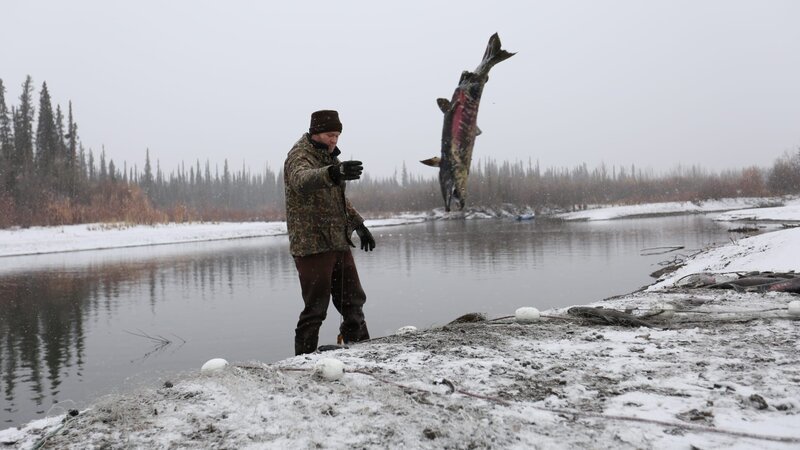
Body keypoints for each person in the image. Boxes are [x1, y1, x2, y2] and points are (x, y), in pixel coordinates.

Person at [283, 110, 376, 355]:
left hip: (338, 242)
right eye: (329, 134)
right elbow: (301, 180)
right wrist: (332, 173)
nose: (334, 140)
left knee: (353, 303)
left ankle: (362, 352)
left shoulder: (329, 157)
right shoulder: (299, 156)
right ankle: (302, 361)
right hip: (311, 246)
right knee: (315, 310)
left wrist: (359, 224)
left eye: (337, 135)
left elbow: (337, 199)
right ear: (315, 132)